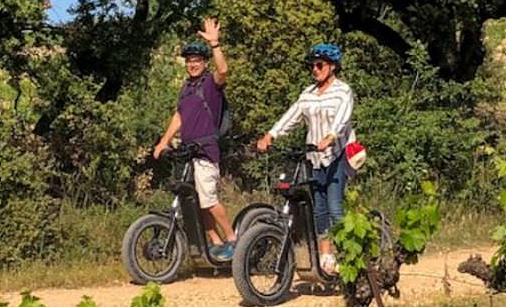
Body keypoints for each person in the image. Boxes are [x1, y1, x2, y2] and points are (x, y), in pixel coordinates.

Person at [255, 43, 355, 275]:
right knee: (319, 208)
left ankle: (351, 255)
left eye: (319, 65)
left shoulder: (343, 91)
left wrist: (330, 136)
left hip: (337, 154)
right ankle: (326, 258)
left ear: (332, 67)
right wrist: (271, 135)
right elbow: (292, 115)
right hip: (315, 156)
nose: (315, 69)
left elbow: (343, 117)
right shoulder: (308, 94)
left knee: (334, 208)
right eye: (312, 65)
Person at [152, 18, 236, 258]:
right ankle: (215, 242)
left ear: (203, 62)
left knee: (208, 199)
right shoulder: (186, 88)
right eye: (189, 61)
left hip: (206, 150)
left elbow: (223, 71)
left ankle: (233, 239)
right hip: (188, 150)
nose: (192, 65)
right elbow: (179, 116)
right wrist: (164, 141)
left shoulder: (210, 84)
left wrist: (215, 44)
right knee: (194, 201)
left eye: (197, 60)